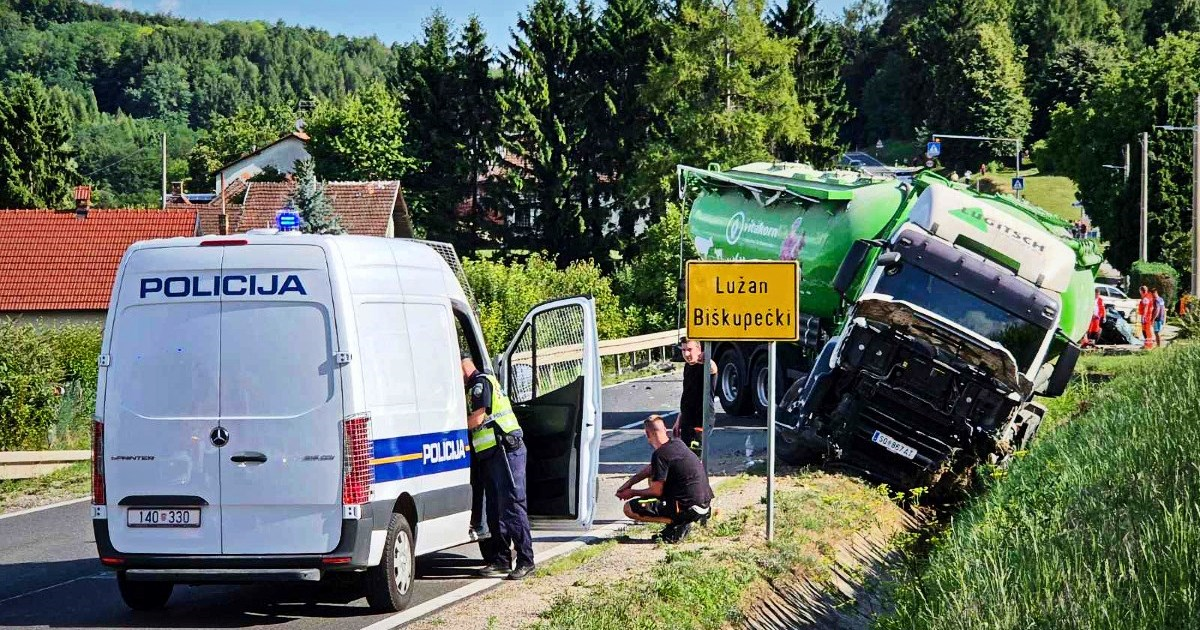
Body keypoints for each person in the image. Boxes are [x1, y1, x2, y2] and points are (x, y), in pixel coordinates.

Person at [462, 354, 536, 580]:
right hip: (492, 453)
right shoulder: (473, 385)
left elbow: (477, 419)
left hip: (506, 450)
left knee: (512, 506)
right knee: (494, 509)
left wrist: (451, 427)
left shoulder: (479, 383)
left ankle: (526, 560)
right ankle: (501, 560)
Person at [615, 415, 714, 543]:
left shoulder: (660, 455)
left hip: (690, 508)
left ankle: (679, 523)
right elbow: (651, 469)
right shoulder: (676, 443)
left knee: (629, 508)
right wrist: (629, 483)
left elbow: (656, 492)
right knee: (655, 477)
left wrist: (632, 492)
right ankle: (680, 520)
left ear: (647, 433)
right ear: (665, 430)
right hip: (704, 504)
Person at [674, 339, 718, 455]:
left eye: (689, 349)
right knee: (686, 454)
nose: (686, 354)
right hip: (687, 418)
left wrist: (707, 359)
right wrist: (680, 418)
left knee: (696, 454)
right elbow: (687, 394)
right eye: (683, 350)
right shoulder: (687, 367)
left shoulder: (705, 366)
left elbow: (713, 369)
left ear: (699, 349)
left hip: (701, 419)